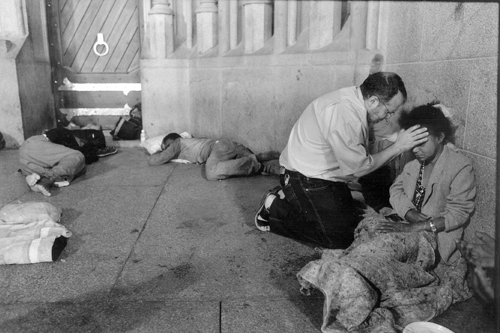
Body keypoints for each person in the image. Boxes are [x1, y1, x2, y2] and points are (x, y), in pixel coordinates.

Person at [296, 103, 477, 332]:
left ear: (440, 136)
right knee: (370, 231)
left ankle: (349, 278)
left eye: (422, 142)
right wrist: (409, 215)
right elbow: (396, 191)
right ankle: (345, 275)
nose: (416, 149)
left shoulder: (459, 166)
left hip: (431, 239)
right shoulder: (414, 163)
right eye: (413, 142)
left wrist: (417, 226)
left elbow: (459, 213)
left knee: (382, 247)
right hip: (408, 227)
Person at [254, 72, 428, 249]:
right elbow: (358, 169)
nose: (388, 117)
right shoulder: (345, 115)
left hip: (324, 175)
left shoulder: (356, 99)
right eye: (389, 111)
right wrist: (399, 146)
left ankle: (296, 200)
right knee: (339, 239)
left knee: (351, 224)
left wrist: (412, 135)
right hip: (303, 177)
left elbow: (381, 132)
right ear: (374, 101)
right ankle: (275, 207)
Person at [18, 127, 117, 197]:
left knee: (72, 167)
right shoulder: (66, 134)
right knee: (77, 157)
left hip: (27, 161)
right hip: (34, 147)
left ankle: (34, 179)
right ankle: (46, 179)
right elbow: (78, 156)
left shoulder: (61, 135)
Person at [147, 133, 281, 181]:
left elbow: (154, 160)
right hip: (228, 148)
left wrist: (159, 149)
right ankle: (264, 163)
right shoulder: (187, 145)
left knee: (211, 173)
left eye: (166, 147)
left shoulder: (177, 143)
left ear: (171, 142)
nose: (166, 150)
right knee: (236, 167)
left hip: (219, 147)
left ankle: (257, 161)